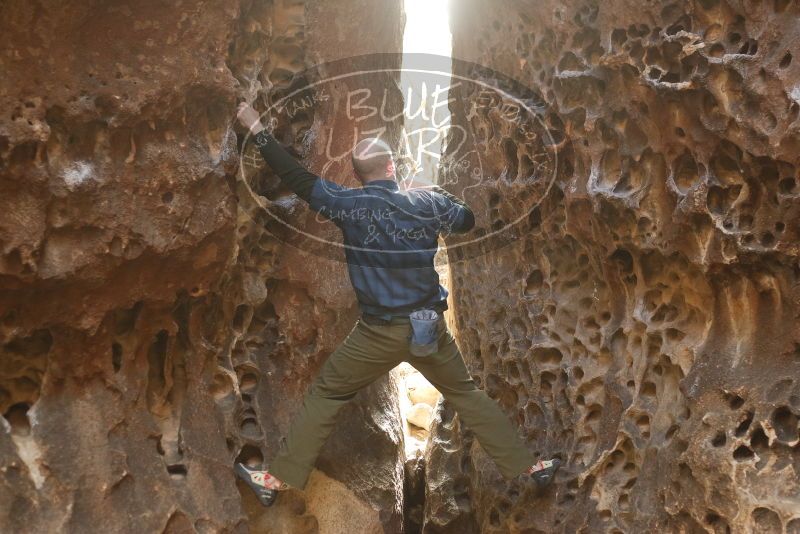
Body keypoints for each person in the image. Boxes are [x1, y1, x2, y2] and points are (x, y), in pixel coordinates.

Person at [234, 102, 561, 507]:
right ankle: (531, 469)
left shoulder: (348, 206)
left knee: (327, 394)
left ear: (358, 175)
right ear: (392, 167)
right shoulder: (425, 204)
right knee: (468, 396)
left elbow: (297, 179)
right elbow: (467, 221)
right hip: (429, 329)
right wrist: (435, 192)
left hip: (377, 334)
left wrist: (257, 128)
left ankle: (276, 480)